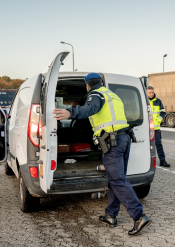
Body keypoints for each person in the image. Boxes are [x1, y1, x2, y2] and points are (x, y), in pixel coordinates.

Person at [53, 73, 152, 235]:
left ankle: (139, 216)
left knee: (117, 179)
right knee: (116, 178)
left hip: (113, 142)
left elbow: (90, 108)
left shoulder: (96, 94)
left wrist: (71, 112)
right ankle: (110, 215)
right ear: (100, 82)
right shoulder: (112, 95)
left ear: (88, 85)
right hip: (124, 139)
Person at [146, 86, 171, 167]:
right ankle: (147, 161)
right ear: (146, 93)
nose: (151, 94)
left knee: (159, 144)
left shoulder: (158, 101)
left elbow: (163, 112)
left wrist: (159, 120)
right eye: (150, 92)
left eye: (152, 92)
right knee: (146, 145)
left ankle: (162, 161)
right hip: (146, 128)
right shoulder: (143, 101)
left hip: (156, 128)